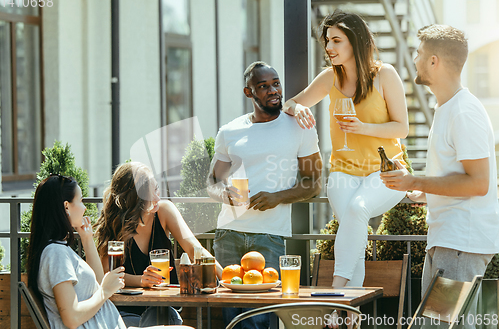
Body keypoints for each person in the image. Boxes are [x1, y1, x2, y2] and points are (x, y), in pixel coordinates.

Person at [380, 24, 499, 325]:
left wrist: (416, 181)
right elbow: (458, 177)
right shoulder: (446, 108)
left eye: (419, 53)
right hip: (449, 240)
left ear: (434, 61)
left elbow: (479, 183)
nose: (415, 59)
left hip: (461, 243)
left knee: (439, 325)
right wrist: (424, 192)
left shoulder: (463, 112)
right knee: (440, 324)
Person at [282, 9, 409, 289]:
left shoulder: (385, 75)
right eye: (327, 41)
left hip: (385, 171)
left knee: (358, 208)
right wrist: (299, 106)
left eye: (336, 40)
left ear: (356, 41)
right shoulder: (329, 78)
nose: (328, 47)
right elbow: (290, 104)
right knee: (354, 232)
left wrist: (362, 127)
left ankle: (336, 289)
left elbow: (402, 128)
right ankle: (347, 317)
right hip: (343, 172)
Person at [207, 61, 322, 328]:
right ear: (249, 93)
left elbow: (314, 183)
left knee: (261, 317)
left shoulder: (299, 126)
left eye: (276, 84)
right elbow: (212, 182)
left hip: (270, 236)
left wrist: (278, 197)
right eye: (263, 86)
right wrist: (225, 194)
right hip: (228, 234)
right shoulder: (229, 132)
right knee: (232, 317)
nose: (273, 91)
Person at [26, 174, 193, 329]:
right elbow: (72, 318)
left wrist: (87, 239)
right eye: (81, 200)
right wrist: (105, 291)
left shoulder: (58, 250)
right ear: (66, 207)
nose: (84, 208)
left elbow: (99, 281)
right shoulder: (56, 254)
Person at [95, 162, 222, 327]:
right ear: (135, 198)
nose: (157, 197)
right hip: (125, 311)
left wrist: (227, 277)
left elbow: (195, 249)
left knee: (160, 316)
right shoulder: (115, 224)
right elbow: (108, 274)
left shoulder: (163, 211)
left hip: (162, 308)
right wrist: (141, 280)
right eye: (151, 193)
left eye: (157, 189)